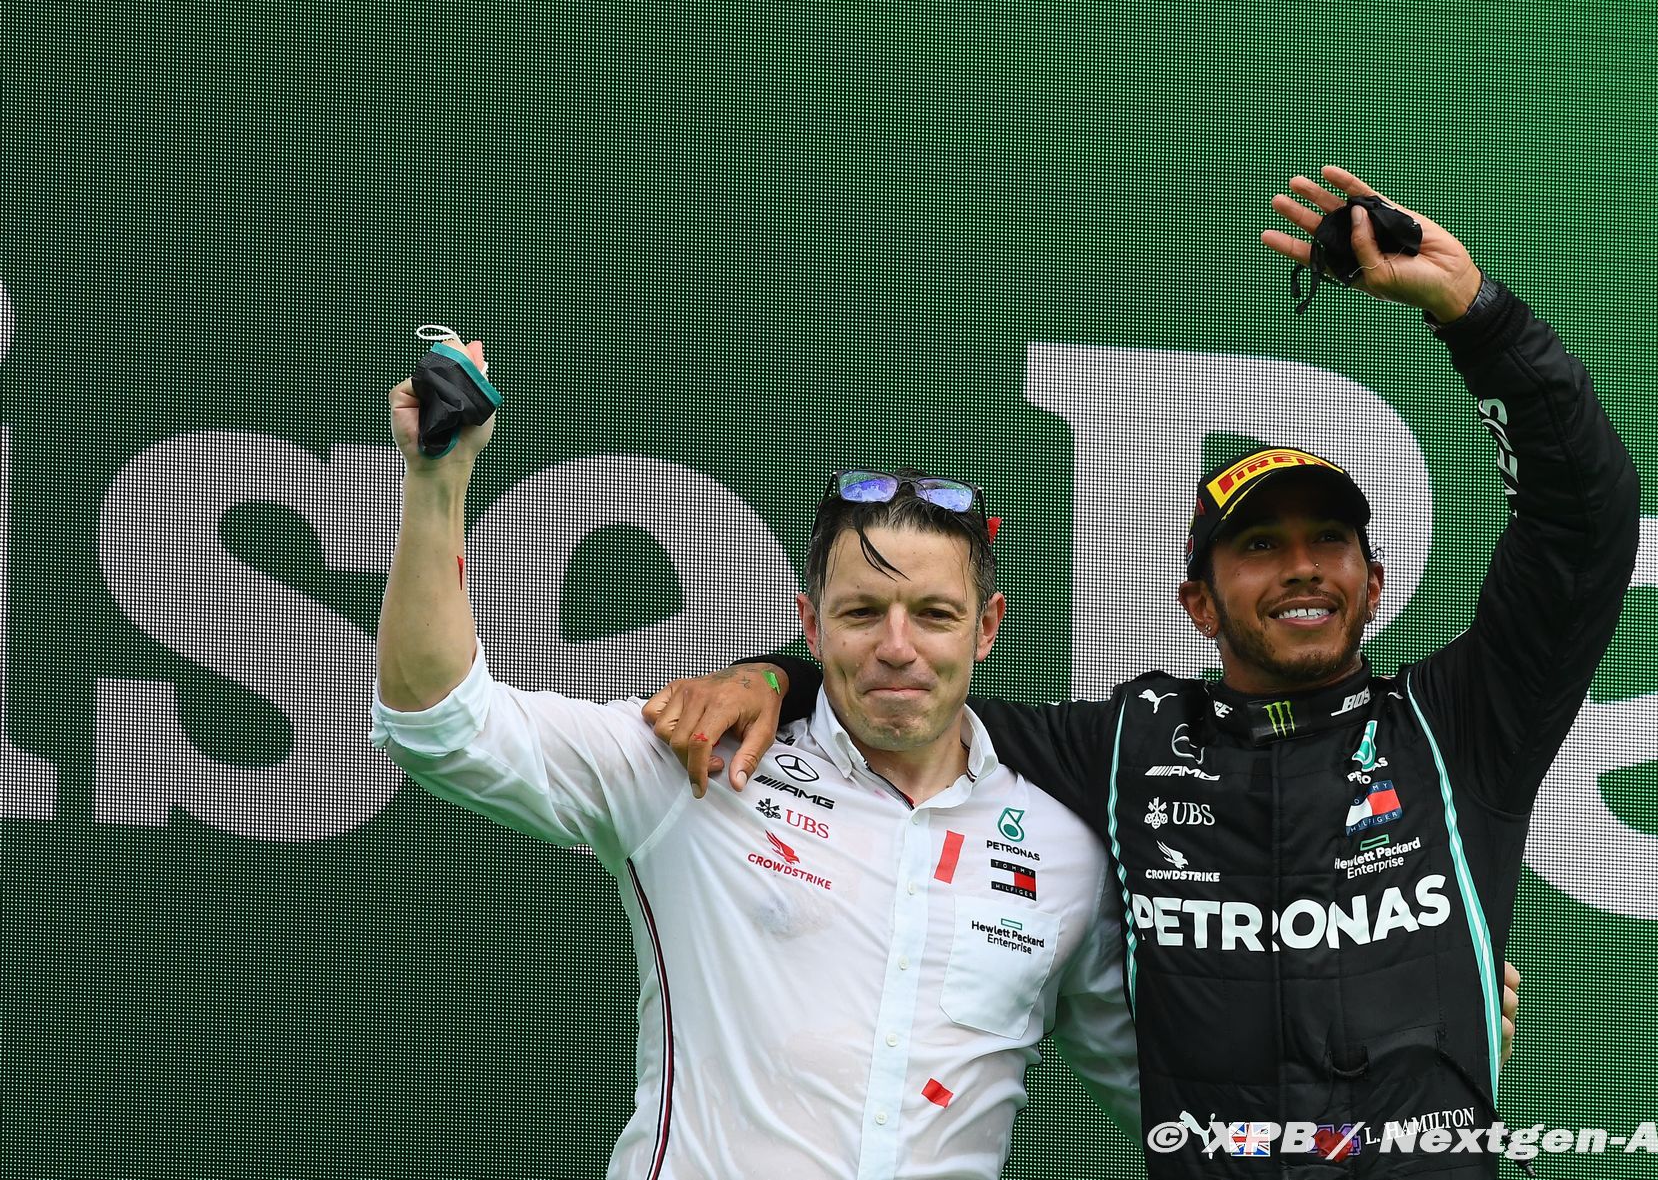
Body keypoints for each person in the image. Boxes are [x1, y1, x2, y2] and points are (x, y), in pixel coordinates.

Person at [645, 166, 1638, 1176]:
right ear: (1197, 602)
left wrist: (1476, 314)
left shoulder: (1459, 723)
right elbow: (908, 694)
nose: (1302, 566)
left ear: (1373, 582)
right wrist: (777, 677)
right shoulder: (1131, 742)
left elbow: (1583, 525)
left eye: (1330, 540)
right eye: (1260, 545)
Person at [367, 353, 1143, 1179]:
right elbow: (440, 722)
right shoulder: (695, 759)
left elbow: (1173, 1107)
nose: (897, 646)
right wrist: (439, 479)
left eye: (934, 614)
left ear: (986, 628)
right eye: (862, 612)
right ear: (811, 624)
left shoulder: (1066, 850)